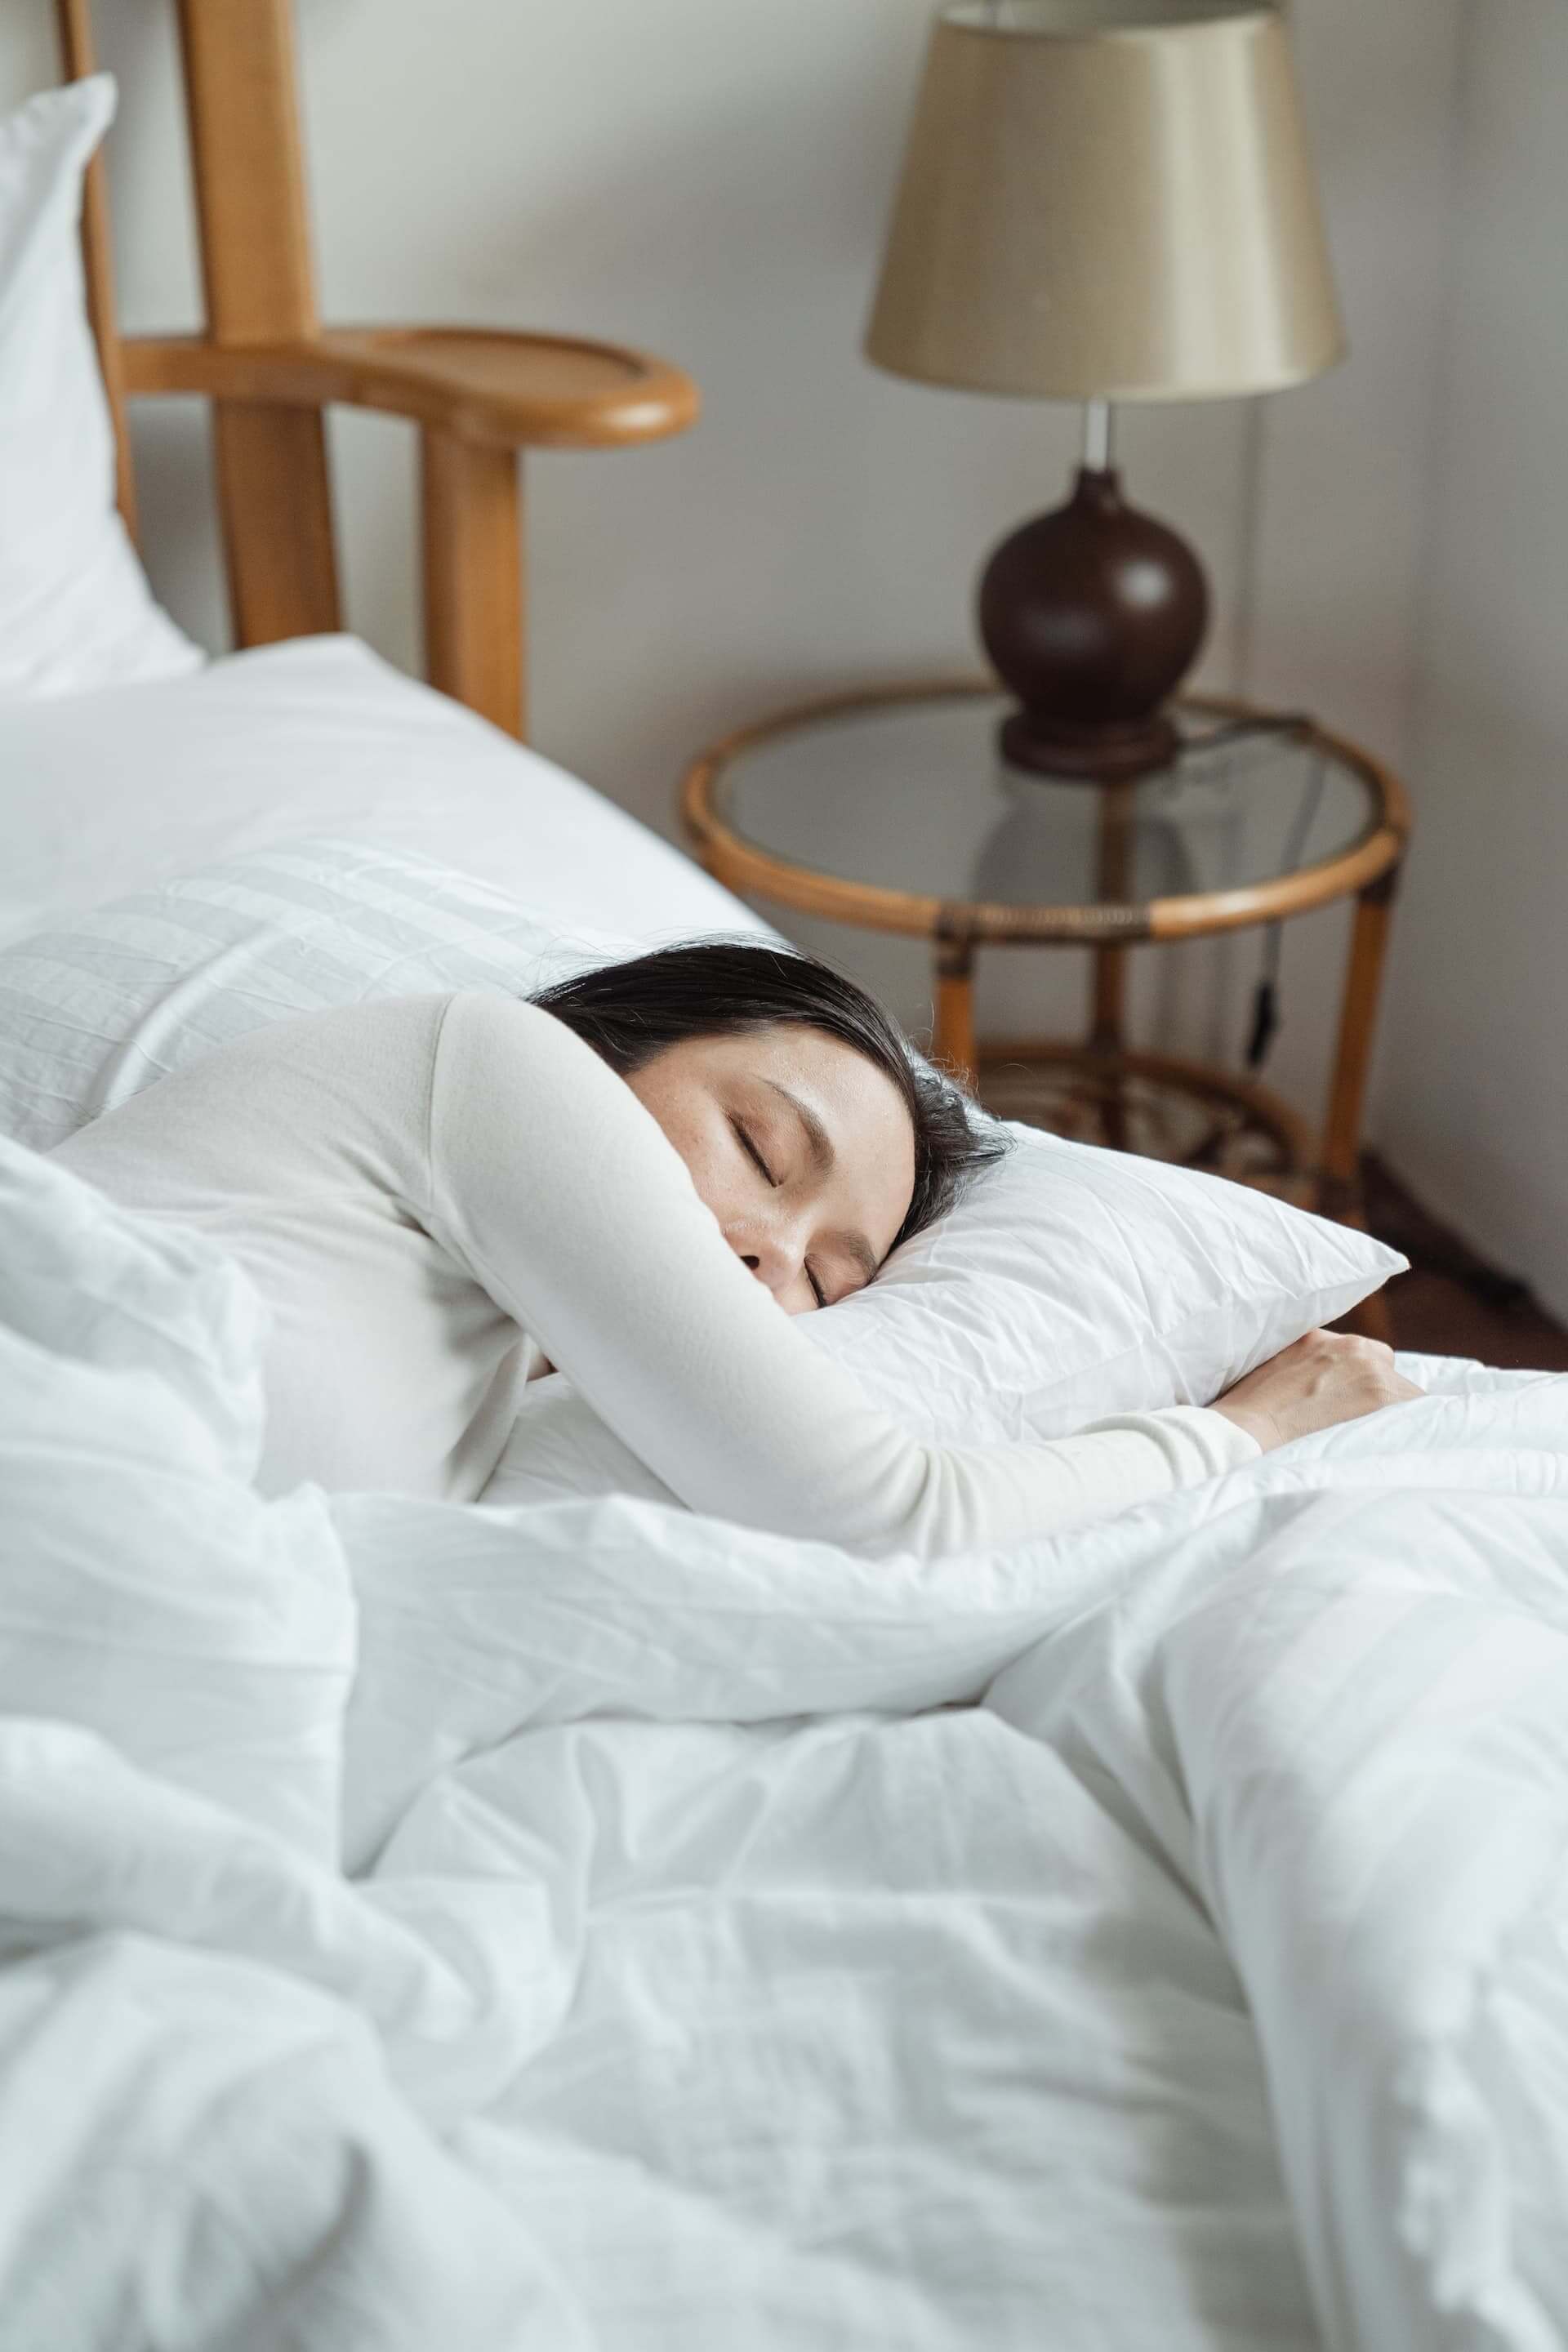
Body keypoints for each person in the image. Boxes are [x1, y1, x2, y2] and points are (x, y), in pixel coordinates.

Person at [51, 940, 1420, 1556]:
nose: (770, 1259)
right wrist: (1239, 1432)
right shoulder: (488, 1061)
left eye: (831, 1282)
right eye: (763, 1152)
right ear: (606, 1041)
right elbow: (893, 1514)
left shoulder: (483, 1373)